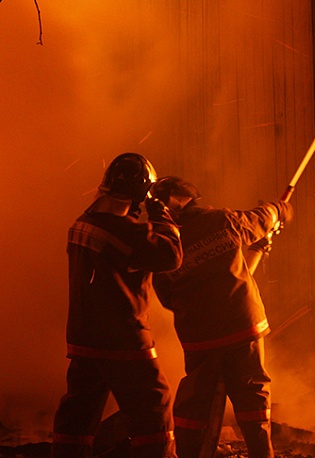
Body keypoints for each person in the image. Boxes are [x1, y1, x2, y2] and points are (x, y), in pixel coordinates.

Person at [149, 176, 292, 458]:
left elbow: (166, 298)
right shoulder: (221, 220)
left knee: (195, 403)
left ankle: (189, 453)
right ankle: (262, 454)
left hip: (200, 338)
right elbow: (262, 218)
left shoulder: (161, 245)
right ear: (189, 198)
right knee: (252, 396)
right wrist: (279, 210)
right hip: (242, 326)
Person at [51, 152, 183, 458]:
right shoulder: (125, 231)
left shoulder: (82, 222)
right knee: (155, 406)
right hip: (123, 340)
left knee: (78, 414)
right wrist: (161, 215)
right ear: (140, 193)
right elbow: (170, 255)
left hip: (85, 338)